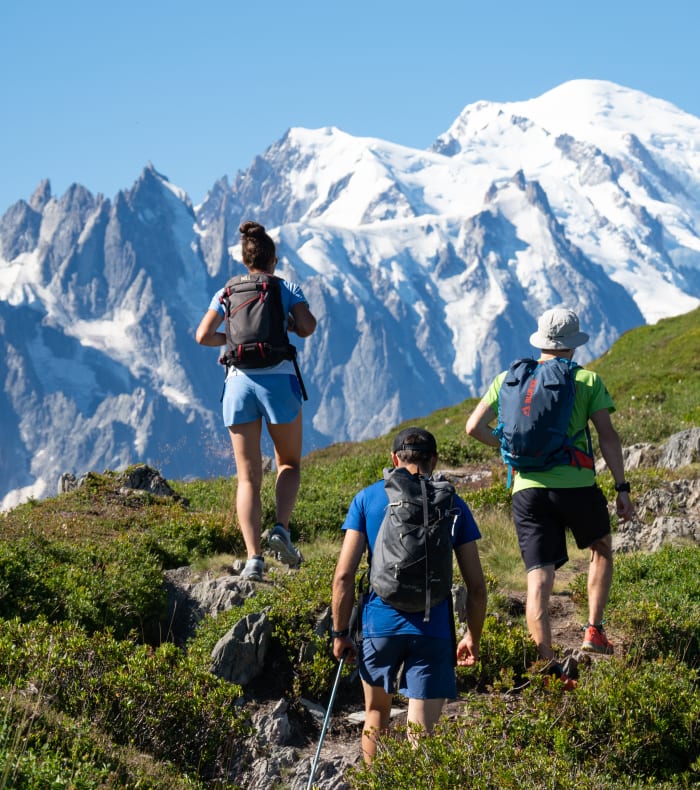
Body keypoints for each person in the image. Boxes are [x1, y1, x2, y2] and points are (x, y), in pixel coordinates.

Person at [466, 307, 634, 672]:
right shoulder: (587, 381)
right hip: (576, 485)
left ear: (540, 342)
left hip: (526, 491)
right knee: (600, 546)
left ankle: (548, 664)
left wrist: (507, 448)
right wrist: (621, 487)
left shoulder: (506, 380)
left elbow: (472, 427)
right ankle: (593, 630)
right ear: (573, 345)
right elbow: (607, 436)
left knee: (538, 576)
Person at [331, 427, 487, 764]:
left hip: (380, 623)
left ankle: (374, 786)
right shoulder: (452, 502)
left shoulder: (368, 498)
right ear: (434, 460)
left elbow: (343, 575)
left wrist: (340, 633)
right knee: (423, 732)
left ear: (394, 459)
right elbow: (476, 585)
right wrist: (471, 635)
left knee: (375, 715)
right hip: (432, 627)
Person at [196, 221, 317, 581]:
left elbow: (202, 335)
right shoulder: (286, 287)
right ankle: (281, 528)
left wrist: (231, 341)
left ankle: (253, 560)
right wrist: (290, 327)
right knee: (289, 464)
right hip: (279, 382)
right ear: (274, 259)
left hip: (238, 384)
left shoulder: (226, 291)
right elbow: (308, 326)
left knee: (247, 479)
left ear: (244, 258)